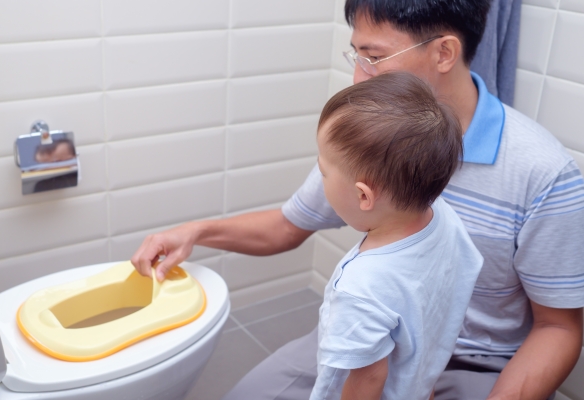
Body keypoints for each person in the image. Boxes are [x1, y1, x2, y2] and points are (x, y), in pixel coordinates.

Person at [131, 0, 584, 398]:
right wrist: (197, 232)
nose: (357, 76)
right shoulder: (370, 134)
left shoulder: (543, 174)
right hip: (371, 338)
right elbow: (290, 226)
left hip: (473, 362)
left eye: (374, 57)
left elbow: (559, 327)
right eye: (356, 54)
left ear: (444, 51)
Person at [310, 72, 482, 400]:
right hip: (421, 380)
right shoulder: (442, 218)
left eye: (323, 171)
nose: (321, 180)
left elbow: (369, 379)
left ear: (364, 196)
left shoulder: (361, 290)